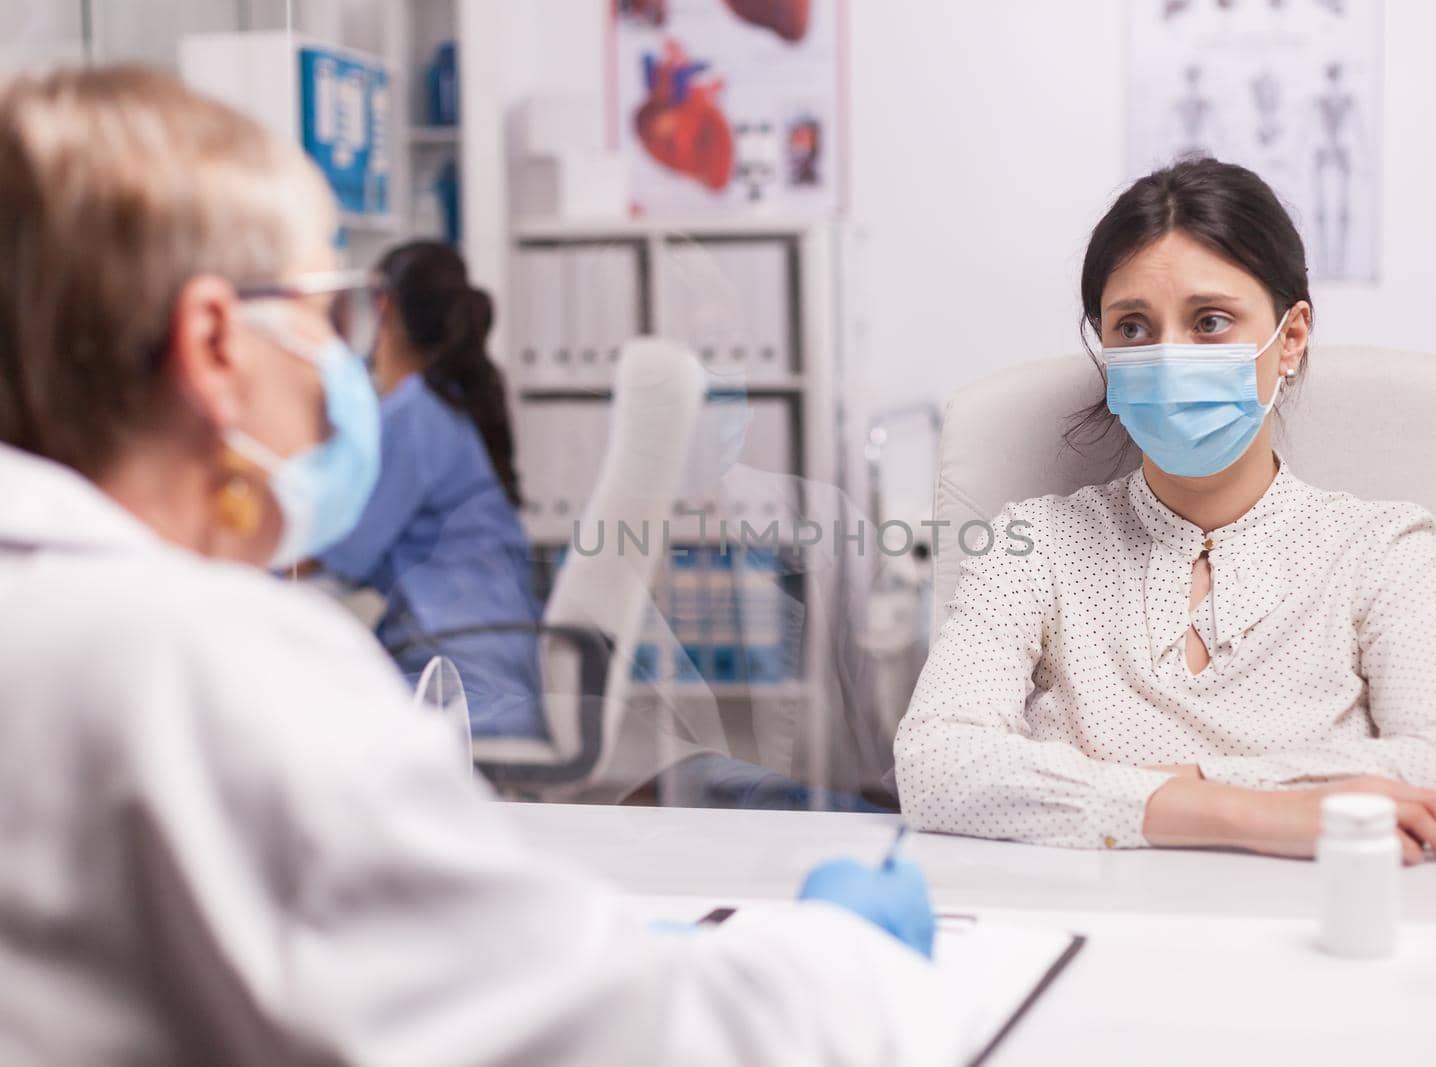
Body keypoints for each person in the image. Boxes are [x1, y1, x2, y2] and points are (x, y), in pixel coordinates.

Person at [0, 66, 961, 1065]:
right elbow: (659, 1044)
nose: (345, 370)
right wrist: (851, 957)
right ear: (211, 342)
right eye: (325, 316)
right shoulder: (213, 674)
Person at [895, 157, 1436, 863]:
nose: (1168, 357)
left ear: (1292, 338)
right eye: (1132, 327)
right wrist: (1255, 812)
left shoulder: (1381, 547)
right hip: (1086, 930)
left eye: (1210, 321)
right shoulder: (1032, 543)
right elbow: (934, 764)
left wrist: (1123, 794)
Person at [318, 240, 544, 739]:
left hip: (460, 682)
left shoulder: (415, 413)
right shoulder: (448, 402)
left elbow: (343, 552)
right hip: (487, 670)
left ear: (383, 308)